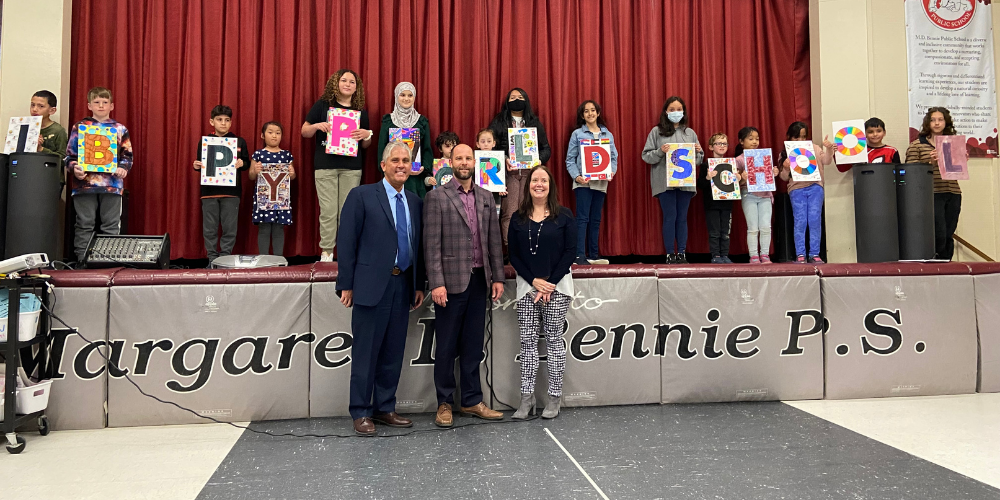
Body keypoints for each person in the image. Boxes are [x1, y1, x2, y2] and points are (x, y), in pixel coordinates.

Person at [336, 141, 426, 436]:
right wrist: (346, 284)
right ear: (383, 165)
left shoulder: (415, 201)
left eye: (406, 160)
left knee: (392, 350)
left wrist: (419, 283)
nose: (402, 165)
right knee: (366, 351)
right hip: (370, 286)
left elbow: (418, 246)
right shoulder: (361, 196)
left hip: (403, 284)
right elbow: (347, 242)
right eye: (396, 160)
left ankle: (385, 407)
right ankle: (361, 411)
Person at [423, 144, 505, 427]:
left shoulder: (485, 196)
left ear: (475, 161)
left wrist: (497, 276)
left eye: (468, 158)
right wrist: (436, 283)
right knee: (445, 346)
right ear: (451, 161)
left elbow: (493, 240)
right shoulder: (437, 197)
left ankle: (471, 400)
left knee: (472, 345)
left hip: (480, 280)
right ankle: (444, 402)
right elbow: (431, 245)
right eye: (459, 158)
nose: (464, 162)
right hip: (450, 283)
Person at [507, 165, 576, 420]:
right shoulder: (517, 217)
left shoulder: (565, 215)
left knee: (555, 343)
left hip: (557, 288)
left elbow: (570, 251)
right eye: (534, 180)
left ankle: (553, 399)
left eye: (543, 180)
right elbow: (513, 255)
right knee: (528, 344)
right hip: (527, 288)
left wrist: (551, 283)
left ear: (551, 186)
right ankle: (526, 400)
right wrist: (535, 281)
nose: (538, 184)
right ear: (528, 186)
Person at [302, 69, 373, 262]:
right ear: (336, 83)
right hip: (325, 166)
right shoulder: (322, 106)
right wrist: (317, 126)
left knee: (347, 212)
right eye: (344, 80)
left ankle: (346, 251)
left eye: (352, 82)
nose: (348, 84)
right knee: (328, 211)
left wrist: (367, 135)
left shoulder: (360, 112)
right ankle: (326, 251)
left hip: (351, 168)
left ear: (356, 88)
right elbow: (304, 131)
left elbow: (365, 145)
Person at [64, 87, 134, 263]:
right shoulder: (80, 127)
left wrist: (123, 168)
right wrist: (75, 168)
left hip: (111, 184)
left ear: (111, 106)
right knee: (84, 223)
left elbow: (127, 155)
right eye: (96, 102)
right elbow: (70, 156)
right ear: (89, 105)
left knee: (110, 224)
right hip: (84, 185)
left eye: (105, 102)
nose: (101, 105)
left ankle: (108, 260)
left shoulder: (119, 128)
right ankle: (83, 259)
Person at [489, 88, 552, 254]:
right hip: (507, 174)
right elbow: (488, 146)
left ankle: (528, 248)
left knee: (528, 210)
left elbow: (546, 149)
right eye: (512, 97)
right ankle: (511, 251)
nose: (516, 99)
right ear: (507, 101)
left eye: (520, 97)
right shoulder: (499, 121)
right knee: (509, 212)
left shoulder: (534, 122)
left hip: (529, 174)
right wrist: (503, 159)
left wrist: (538, 160)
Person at [641, 96, 703, 264]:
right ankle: (670, 253)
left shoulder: (690, 133)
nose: (676, 113)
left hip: (685, 183)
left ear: (684, 112)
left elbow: (698, 160)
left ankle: (681, 252)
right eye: (672, 109)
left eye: (679, 109)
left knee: (682, 217)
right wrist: (660, 151)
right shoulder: (657, 132)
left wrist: (697, 152)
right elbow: (646, 156)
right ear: (666, 112)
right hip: (665, 183)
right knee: (670, 216)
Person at [192, 105, 250, 263]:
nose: (223, 123)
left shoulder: (239, 141)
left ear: (231, 122)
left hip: (231, 193)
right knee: (209, 228)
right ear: (212, 122)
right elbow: (201, 164)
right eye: (219, 120)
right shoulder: (205, 142)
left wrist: (241, 163)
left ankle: (224, 259)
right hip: (209, 191)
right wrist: (196, 165)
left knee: (230, 227)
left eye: (227, 120)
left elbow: (247, 163)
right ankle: (212, 259)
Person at [905, 107, 964, 261]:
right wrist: (929, 163)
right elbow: (911, 172)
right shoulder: (917, 145)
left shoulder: (953, 143)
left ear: (946, 122)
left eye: (940, 119)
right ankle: (935, 262)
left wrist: (962, 160)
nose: (937, 123)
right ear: (927, 122)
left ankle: (947, 262)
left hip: (953, 191)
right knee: (938, 231)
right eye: (933, 120)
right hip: (932, 192)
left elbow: (956, 170)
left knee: (949, 231)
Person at [565, 100, 618, 265]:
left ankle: (594, 255)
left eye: (593, 110)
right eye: (586, 111)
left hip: (601, 183)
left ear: (598, 113)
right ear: (582, 115)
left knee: (596, 219)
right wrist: (576, 176)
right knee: (582, 218)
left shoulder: (607, 134)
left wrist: (612, 171)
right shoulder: (577, 134)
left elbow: (613, 157)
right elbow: (570, 159)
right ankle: (580, 255)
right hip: (583, 182)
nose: (590, 113)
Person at [778, 123, 835, 263]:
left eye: (803, 137)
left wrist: (829, 150)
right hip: (797, 189)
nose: (800, 141)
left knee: (815, 220)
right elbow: (784, 178)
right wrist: (785, 168)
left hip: (815, 186)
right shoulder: (786, 152)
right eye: (796, 138)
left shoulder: (814, 148)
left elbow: (826, 161)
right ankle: (800, 254)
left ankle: (815, 253)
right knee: (800, 221)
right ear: (789, 138)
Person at [376, 82, 433, 198]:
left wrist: (424, 169)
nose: (406, 99)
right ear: (396, 96)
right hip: (393, 176)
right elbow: (382, 150)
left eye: (410, 95)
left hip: (416, 179)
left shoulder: (421, 121)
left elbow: (427, 149)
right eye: (402, 95)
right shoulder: (388, 121)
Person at [734, 126, 779, 264]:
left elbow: (767, 175)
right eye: (751, 139)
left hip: (765, 195)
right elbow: (735, 180)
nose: (755, 142)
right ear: (742, 141)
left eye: (757, 139)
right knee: (753, 227)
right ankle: (753, 255)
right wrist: (742, 177)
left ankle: (765, 254)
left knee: (765, 227)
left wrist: (774, 172)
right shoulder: (739, 160)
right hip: (749, 195)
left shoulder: (763, 156)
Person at [249, 121, 295, 255]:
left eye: (278, 133)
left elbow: (292, 177)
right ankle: (264, 259)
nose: (274, 136)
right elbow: (251, 176)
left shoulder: (286, 155)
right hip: (264, 198)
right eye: (270, 132)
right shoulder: (258, 155)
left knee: (278, 228)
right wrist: (255, 170)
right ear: (262, 135)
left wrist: (292, 173)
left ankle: (278, 259)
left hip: (280, 198)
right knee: (263, 228)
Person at [698, 132, 735, 263]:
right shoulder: (705, 165)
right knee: (714, 232)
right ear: (711, 147)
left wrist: (738, 178)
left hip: (727, 204)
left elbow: (733, 184)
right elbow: (700, 184)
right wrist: (708, 178)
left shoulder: (731, 165)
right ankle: (716, 256)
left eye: (724, 143)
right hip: (711, 205)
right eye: (718, 143)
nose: (722, 146)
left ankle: (725, 255)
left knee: (725, 232)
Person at [30, 90, 68, 158]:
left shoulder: (58, 131)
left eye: (41, 106)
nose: (34, 109)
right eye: (32, 105)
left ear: (52, 110)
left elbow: (63, 159)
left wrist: (41, 149)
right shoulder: (25, 128)